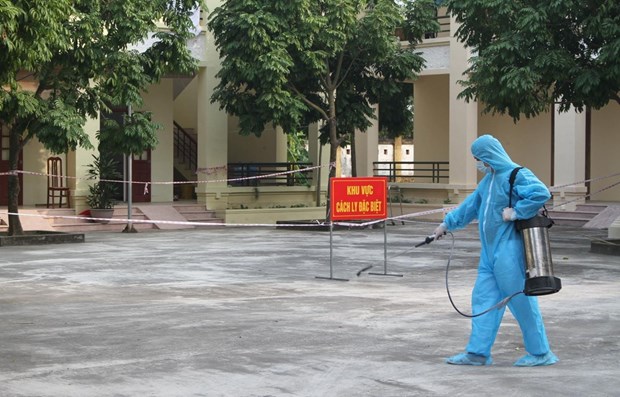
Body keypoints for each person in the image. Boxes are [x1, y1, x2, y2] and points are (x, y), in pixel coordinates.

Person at [433, 134, 558, 367]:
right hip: (489, 254)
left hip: (510, 251)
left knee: (521, 301)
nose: (478, 163)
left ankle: (541, 353)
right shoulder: (488, 181)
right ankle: (477, 353)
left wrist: (517, 211)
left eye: (479, 158)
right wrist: (446, 224)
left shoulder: (516, 174)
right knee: (483, 300)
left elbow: (540, 192)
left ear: (489, 155)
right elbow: (470, 206)